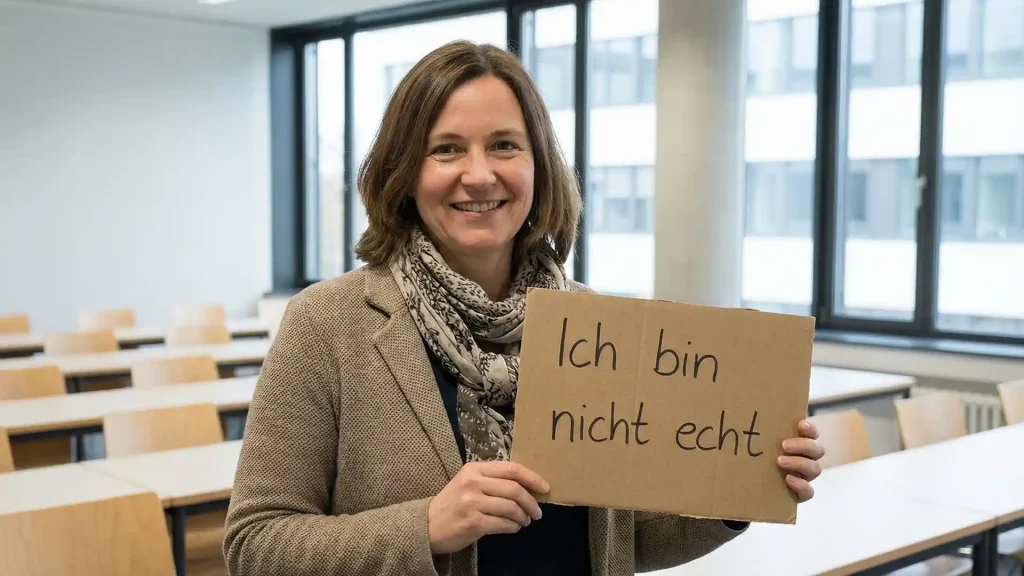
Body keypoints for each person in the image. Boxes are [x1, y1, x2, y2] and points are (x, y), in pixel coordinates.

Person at [223, 40, 824, 576]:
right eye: (446, 149)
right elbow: (255, 544)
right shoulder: (326, 323)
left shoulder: (593, 326)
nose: (480, 175)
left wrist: (739, 490)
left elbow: (620, 542)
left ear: (538, 165)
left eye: (504, 146)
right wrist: (425, 527)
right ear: (403, 173)